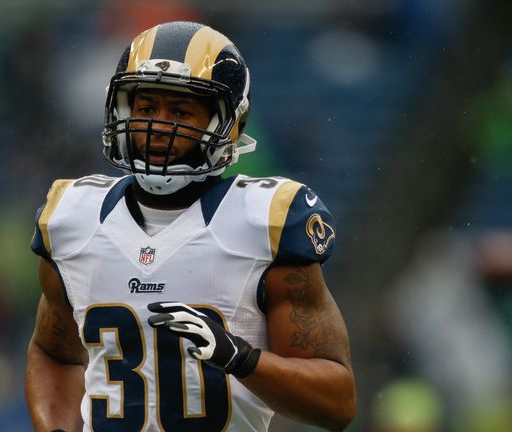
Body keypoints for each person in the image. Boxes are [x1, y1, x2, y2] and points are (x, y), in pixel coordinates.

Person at [25, 21, 356, 432]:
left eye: (180, 111)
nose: (158, 126)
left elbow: (338, 402)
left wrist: (238, 357)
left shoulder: (266, 220)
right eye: (146, 108)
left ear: (226, 123)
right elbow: (53, 353)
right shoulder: (73, 217)